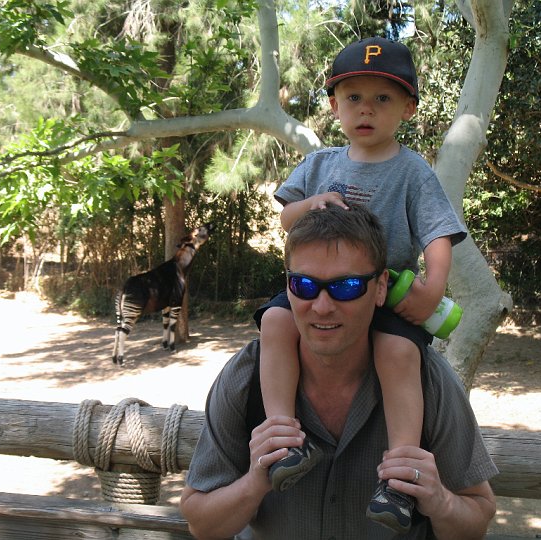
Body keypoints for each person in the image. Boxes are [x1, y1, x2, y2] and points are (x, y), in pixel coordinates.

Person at [252, 36, 468, 533]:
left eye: (382, 99)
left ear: (408, 108)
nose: (365, 109)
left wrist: (432, 290)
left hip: (380, 293)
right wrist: (312, 203)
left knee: (398, 355)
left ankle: (400, 476)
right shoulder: (321, 163)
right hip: (318, 286)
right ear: (333, 105)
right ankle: (286, 439)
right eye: (353, 97)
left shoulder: (413, 171)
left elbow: (438, 235)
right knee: (278, 322)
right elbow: (286, 216)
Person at [180, 204, 498, 539]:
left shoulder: (427, 378)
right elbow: (201, 524)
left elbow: (476, 518)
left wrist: (440, 501)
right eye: (303, 284)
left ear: (380, 288)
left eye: (346, 286)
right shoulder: (246, 376)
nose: (322, 306)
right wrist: (254, 482)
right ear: (287, 288)